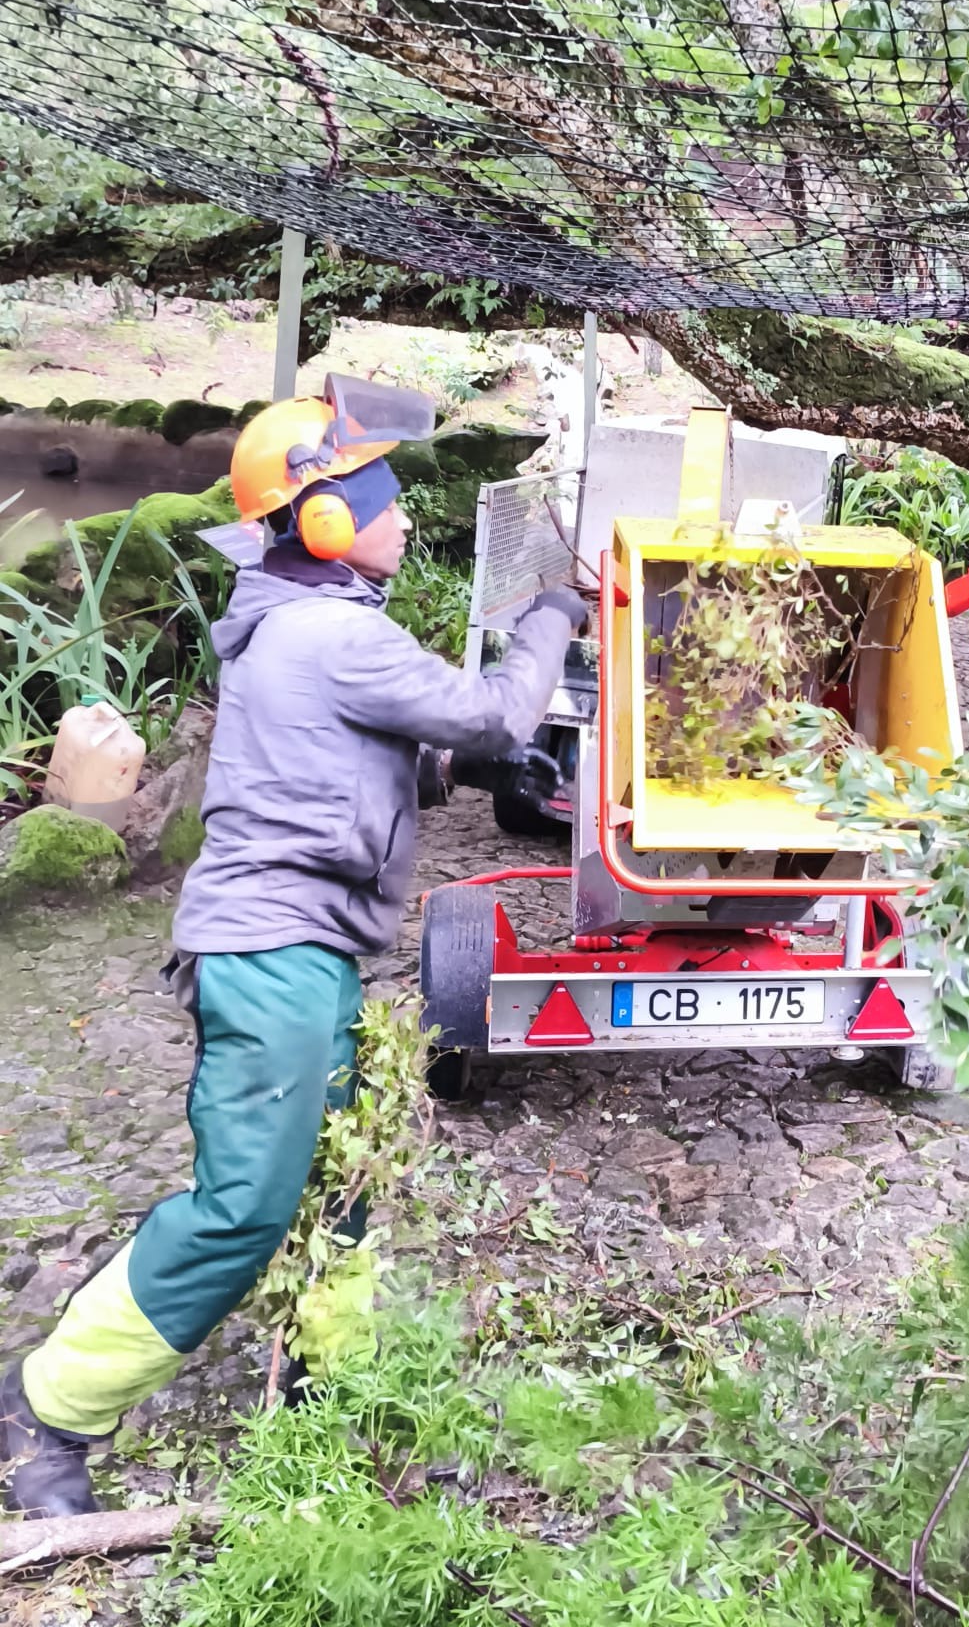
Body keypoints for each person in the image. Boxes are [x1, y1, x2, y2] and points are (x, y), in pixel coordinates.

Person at [1, 375, 585, 1518]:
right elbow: (490, 710)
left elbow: (390, 758)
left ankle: (329, 1393)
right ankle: (45, 1407)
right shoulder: (324, 630)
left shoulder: (308, 626)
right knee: (247, 1203)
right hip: (274, 952)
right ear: (321, 519)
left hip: (310, 953)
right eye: (381, 495)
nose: (405, 517)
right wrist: (552, 614)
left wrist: (459, 770)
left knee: (342, 1182)